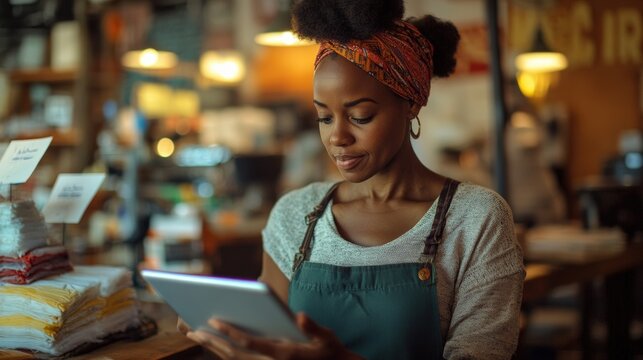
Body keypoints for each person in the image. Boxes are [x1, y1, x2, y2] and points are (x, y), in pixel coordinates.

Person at [180, 0, 525, 358]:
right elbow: (271, 343)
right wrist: (231, 337)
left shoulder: (474, 219)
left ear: (411, 104)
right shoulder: (296, 215)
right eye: (324, 118)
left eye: (360, 116)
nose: (337, 137)